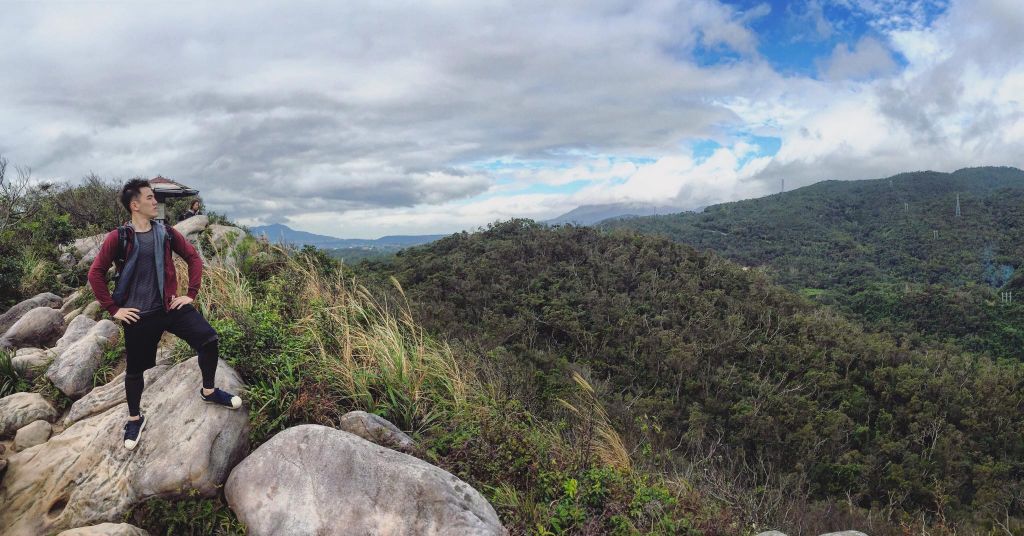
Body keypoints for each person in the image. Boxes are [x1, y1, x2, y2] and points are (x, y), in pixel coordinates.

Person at [88, 179, 242, 451]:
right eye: (149, 198)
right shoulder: (119, 237)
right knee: (135, 371)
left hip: (170, 308)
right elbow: (95, 273)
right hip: (138, 315)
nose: (154, 201)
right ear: (135, 205)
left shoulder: (166, 232)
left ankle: (208, 391)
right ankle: (135, 418)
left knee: (208, 339)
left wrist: (191, 293)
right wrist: (114, 309)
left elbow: (193, 257)